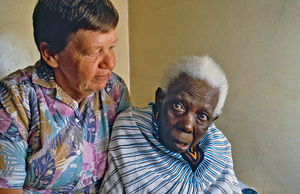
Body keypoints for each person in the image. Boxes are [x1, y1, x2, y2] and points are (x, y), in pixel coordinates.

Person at [0, 0, 130, 193]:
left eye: (111, 47)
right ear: (51, 54)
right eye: (94, 52)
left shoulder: (114, 90)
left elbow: (130, 161)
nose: (110, 62)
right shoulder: (15, 98)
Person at [100, 55, 242, 193]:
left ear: (212, 120)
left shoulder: (218, 145)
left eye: (202, 116)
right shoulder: (130, 128)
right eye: (178, 106)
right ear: (160, 98)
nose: (187, 126)